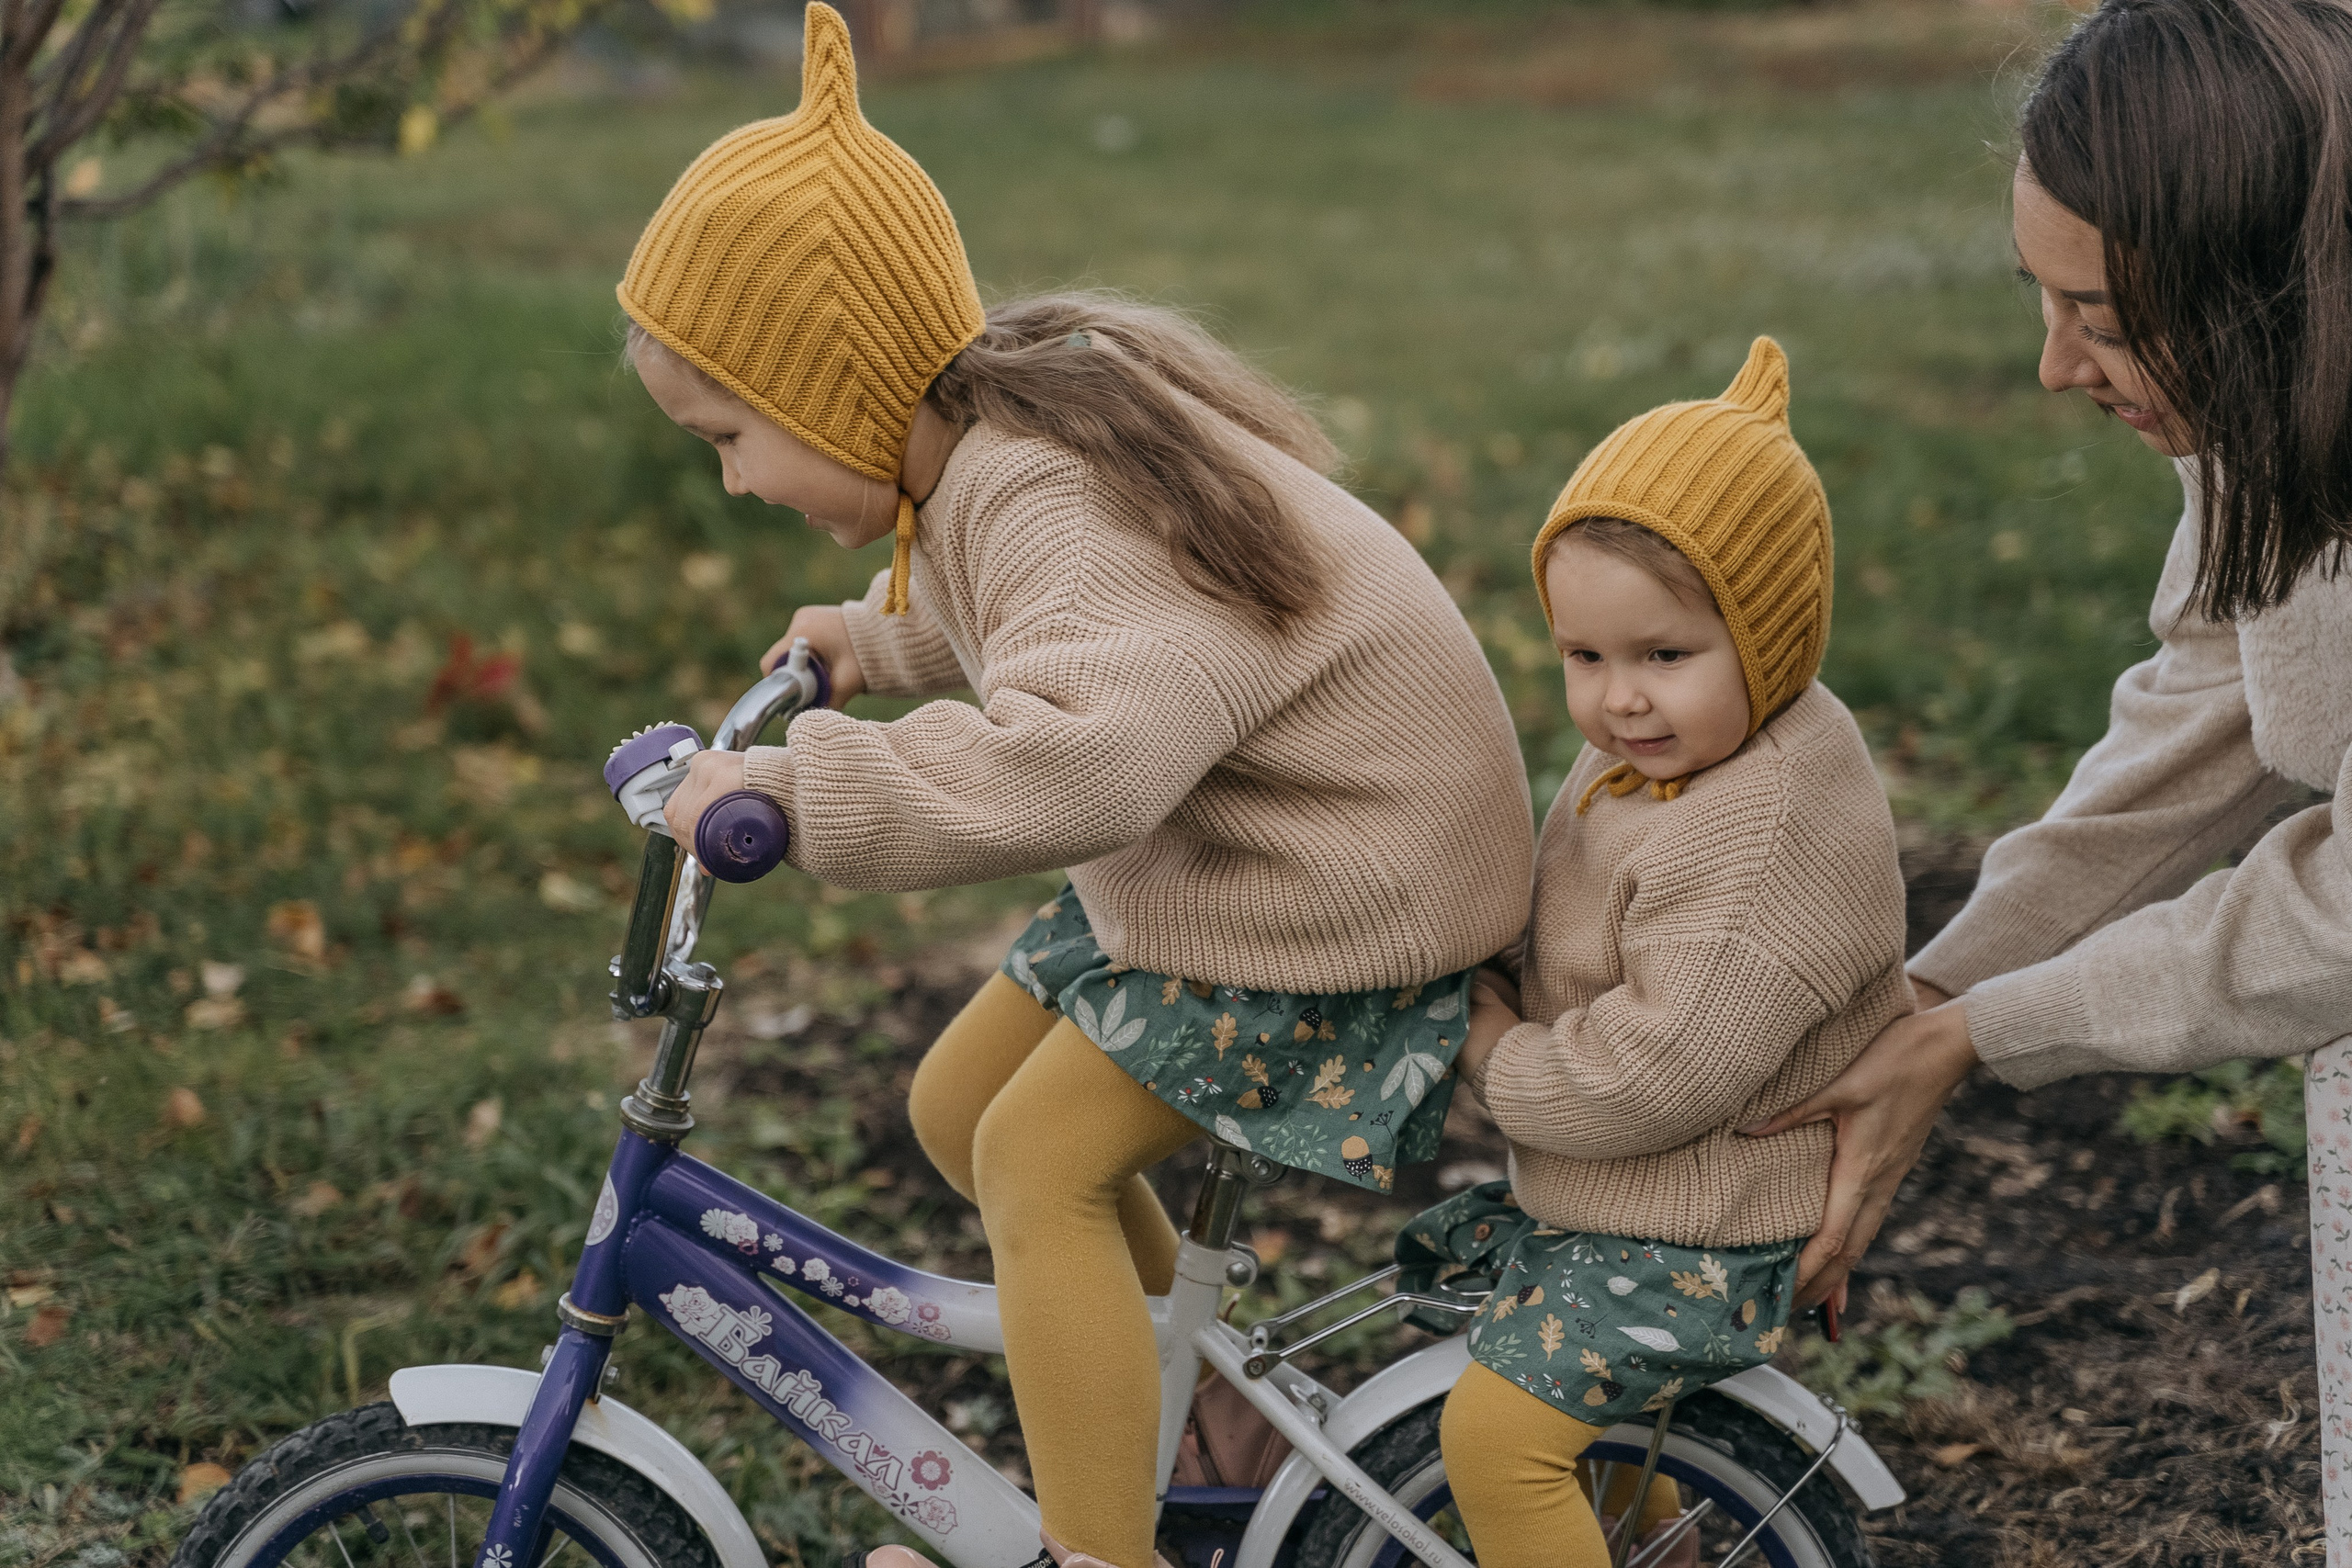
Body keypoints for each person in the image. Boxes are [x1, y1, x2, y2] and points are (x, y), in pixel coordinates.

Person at [620, 9, 1536, 1567]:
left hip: (1342, 898)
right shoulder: (1000, 448)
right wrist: (872, 643)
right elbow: (1068, 621)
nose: (735, 480)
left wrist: (799, 795)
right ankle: (1212, 1410)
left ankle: (1096, 1553)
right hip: (1269, 859)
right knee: (954, 1104)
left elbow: (1083, 759)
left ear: (838, 390)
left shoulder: (1041, 485)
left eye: (732, 436)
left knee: (1036, 1164)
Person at [1741, 0, 2352, 1545]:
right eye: (2044, 299)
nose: (2053, 367)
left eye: (2104, 318)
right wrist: (1926, 997)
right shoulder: (2280, 406)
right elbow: (2212, 702)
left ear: (2268, 289)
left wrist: (1985, 1033)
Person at [1437, 340, 1911, 1568]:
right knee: (1591, 1441)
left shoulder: (1761, 825)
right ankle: (1658, 1545)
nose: (1620, 700)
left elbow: (1653, 1076)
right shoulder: (1668, 755)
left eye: (1663, 656)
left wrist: (1492, 1049)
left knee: (1497, 1443)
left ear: (1771, 636)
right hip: (1640, 1201)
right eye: (1584, 657)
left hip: (1693, 1229)